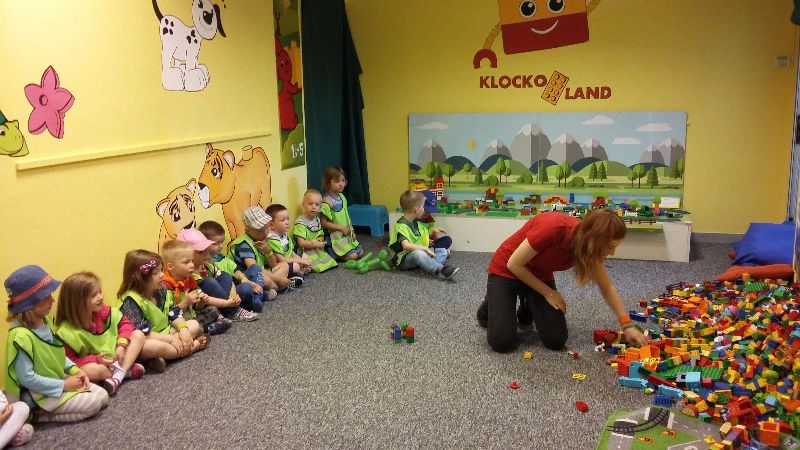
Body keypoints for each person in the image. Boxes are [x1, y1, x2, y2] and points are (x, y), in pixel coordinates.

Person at [476, 209, 648, 353]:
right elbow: (514, 264)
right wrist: (549, 293)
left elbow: (607, 287)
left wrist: (627, 325)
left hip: (539, 276)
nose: (612, 253)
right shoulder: (553, 227)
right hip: (507, 270)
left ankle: (527, 302)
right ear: (594, 239)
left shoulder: (589, 248)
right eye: (610, 247)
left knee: (555, 339)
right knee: (502, 343)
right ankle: (490, 303)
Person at [4, 265, 110, 423]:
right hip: (40, 393)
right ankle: (40, 414)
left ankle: (52, 408)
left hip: (59, 379)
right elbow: (27, 378)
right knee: (94, 404)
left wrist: (75, 370)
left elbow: (57, 353)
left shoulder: (46, 322)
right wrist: (63, 385)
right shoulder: (20, 336)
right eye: (46, 297)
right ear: (31, 304)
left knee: (103, 397)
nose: (52, 300)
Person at [54, 272, 146, 396]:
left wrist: (121, 345)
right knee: (93, 370)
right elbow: (70, 362)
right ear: (77, 302)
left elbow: (126, 323)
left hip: (116, 355)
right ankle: (124, 371)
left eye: (100, 292)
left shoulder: (102, 311)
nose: (101, 297)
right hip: (99, 365)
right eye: (94, 295)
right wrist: (96, 359)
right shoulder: (65, 332)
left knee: (138, 334)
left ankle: (118, 375)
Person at [116, 250, 206, 372]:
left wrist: (183, 329)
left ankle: (161, 357)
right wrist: (171, 340)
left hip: (167, 332)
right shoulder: (130, 301)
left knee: (194, 325)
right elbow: (141, 334)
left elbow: (173, 312)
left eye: (161, 270)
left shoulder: (161, 289)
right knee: (150, 347)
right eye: (155, 273)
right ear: (138, 277)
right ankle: (193, 347)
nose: (162, 275)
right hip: (148, 339)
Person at [177, 228, 258, 322]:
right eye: (200, 252)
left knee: (225, 276)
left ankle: (228, 309)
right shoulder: (188, 274)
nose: (205, 254)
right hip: (204, 304)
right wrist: (227, 303)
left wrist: (233, 294)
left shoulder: (207, 265)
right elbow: (201, 300)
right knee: (209, 281)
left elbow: (228, 280)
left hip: (222, 300)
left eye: (206, 249)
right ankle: (233, 311)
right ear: (186, 255)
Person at [229, 207, 296, 311]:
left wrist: (267, 251)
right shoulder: (244, 244)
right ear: (247, 229)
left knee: (283, 265)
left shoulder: (263, 238)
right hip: (247, 278)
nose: (265, 232)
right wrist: (278, 278)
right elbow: (254, 269)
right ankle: (281, 287)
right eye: (260, 230)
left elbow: (273, 264)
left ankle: (275, 286)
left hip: (262, 271)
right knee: (266, 280)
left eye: (266, 227)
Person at [198, 220, 269, 317]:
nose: (221, 246)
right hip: (224, 296)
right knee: (245, 289)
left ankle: (257, 297)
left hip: (233, 290)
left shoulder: (220, 257)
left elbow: (235, 270)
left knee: (254, 268)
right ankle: (242, 306)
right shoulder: (206, 262)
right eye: (215, 243)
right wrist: (233, 293)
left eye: (222, 242)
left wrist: (244, 279)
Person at [161, 240, 230, 336]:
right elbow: (168, 316)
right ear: (170, 267)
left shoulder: (189, 280)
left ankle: (201, 329)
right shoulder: (164, 287)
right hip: (176, 322)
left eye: (192, 261)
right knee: (184, 327)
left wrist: (201, 302)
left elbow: (196, 308)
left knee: (213, 310)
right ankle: (206, 329)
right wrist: (186, 302)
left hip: (190, 315)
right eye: (186, 262)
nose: (192, 265)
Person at [389, 190, 459, 279]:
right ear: (417, 209)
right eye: (422, 206)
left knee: (443, 251)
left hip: (419, 253)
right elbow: (406, 246)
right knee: (418, 253)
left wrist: (427, 242)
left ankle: (428, 265)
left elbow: (420, 237)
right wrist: (425, 249)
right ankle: (441, 269)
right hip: (403, 260)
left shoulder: (415, 222)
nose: (424, 208)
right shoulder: (401, 225)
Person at [320, 166, 363, 261]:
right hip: (334, 237)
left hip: (345, 234)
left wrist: (352, 230)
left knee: (360, 253)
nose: (341, 184)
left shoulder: (342, 197)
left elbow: (347, 216)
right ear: (328, 183)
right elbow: (324, 223)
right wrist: (341, 228)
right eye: (337, 181)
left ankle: (347, 251)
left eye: (343, 181)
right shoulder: (326, 201)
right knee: (353, 256)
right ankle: (332, 253)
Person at [292, 189, 338, 273]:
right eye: (310, 204)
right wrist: (315, 244)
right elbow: (301, 243)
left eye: (317, 204)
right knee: (313, 264)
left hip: (317, 249)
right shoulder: (301, 223)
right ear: (303, 205)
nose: (314, 207)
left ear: (320, 207)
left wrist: (320, 242)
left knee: (329, 261)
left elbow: (320, 234)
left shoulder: (317, 219)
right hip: (305, 251)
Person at [266, 203, 312, 279]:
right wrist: (299, 261)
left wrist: (301, 260)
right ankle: (295, 275)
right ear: (271, 225)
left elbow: (292, 252)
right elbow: (281, 259)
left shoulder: (284, 235)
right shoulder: (272, 240)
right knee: (296, 266)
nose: (287, 222)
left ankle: (300, 271)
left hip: (289, 260)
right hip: (281, 265)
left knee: (305, 256)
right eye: (283, 220)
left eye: (287, 219)